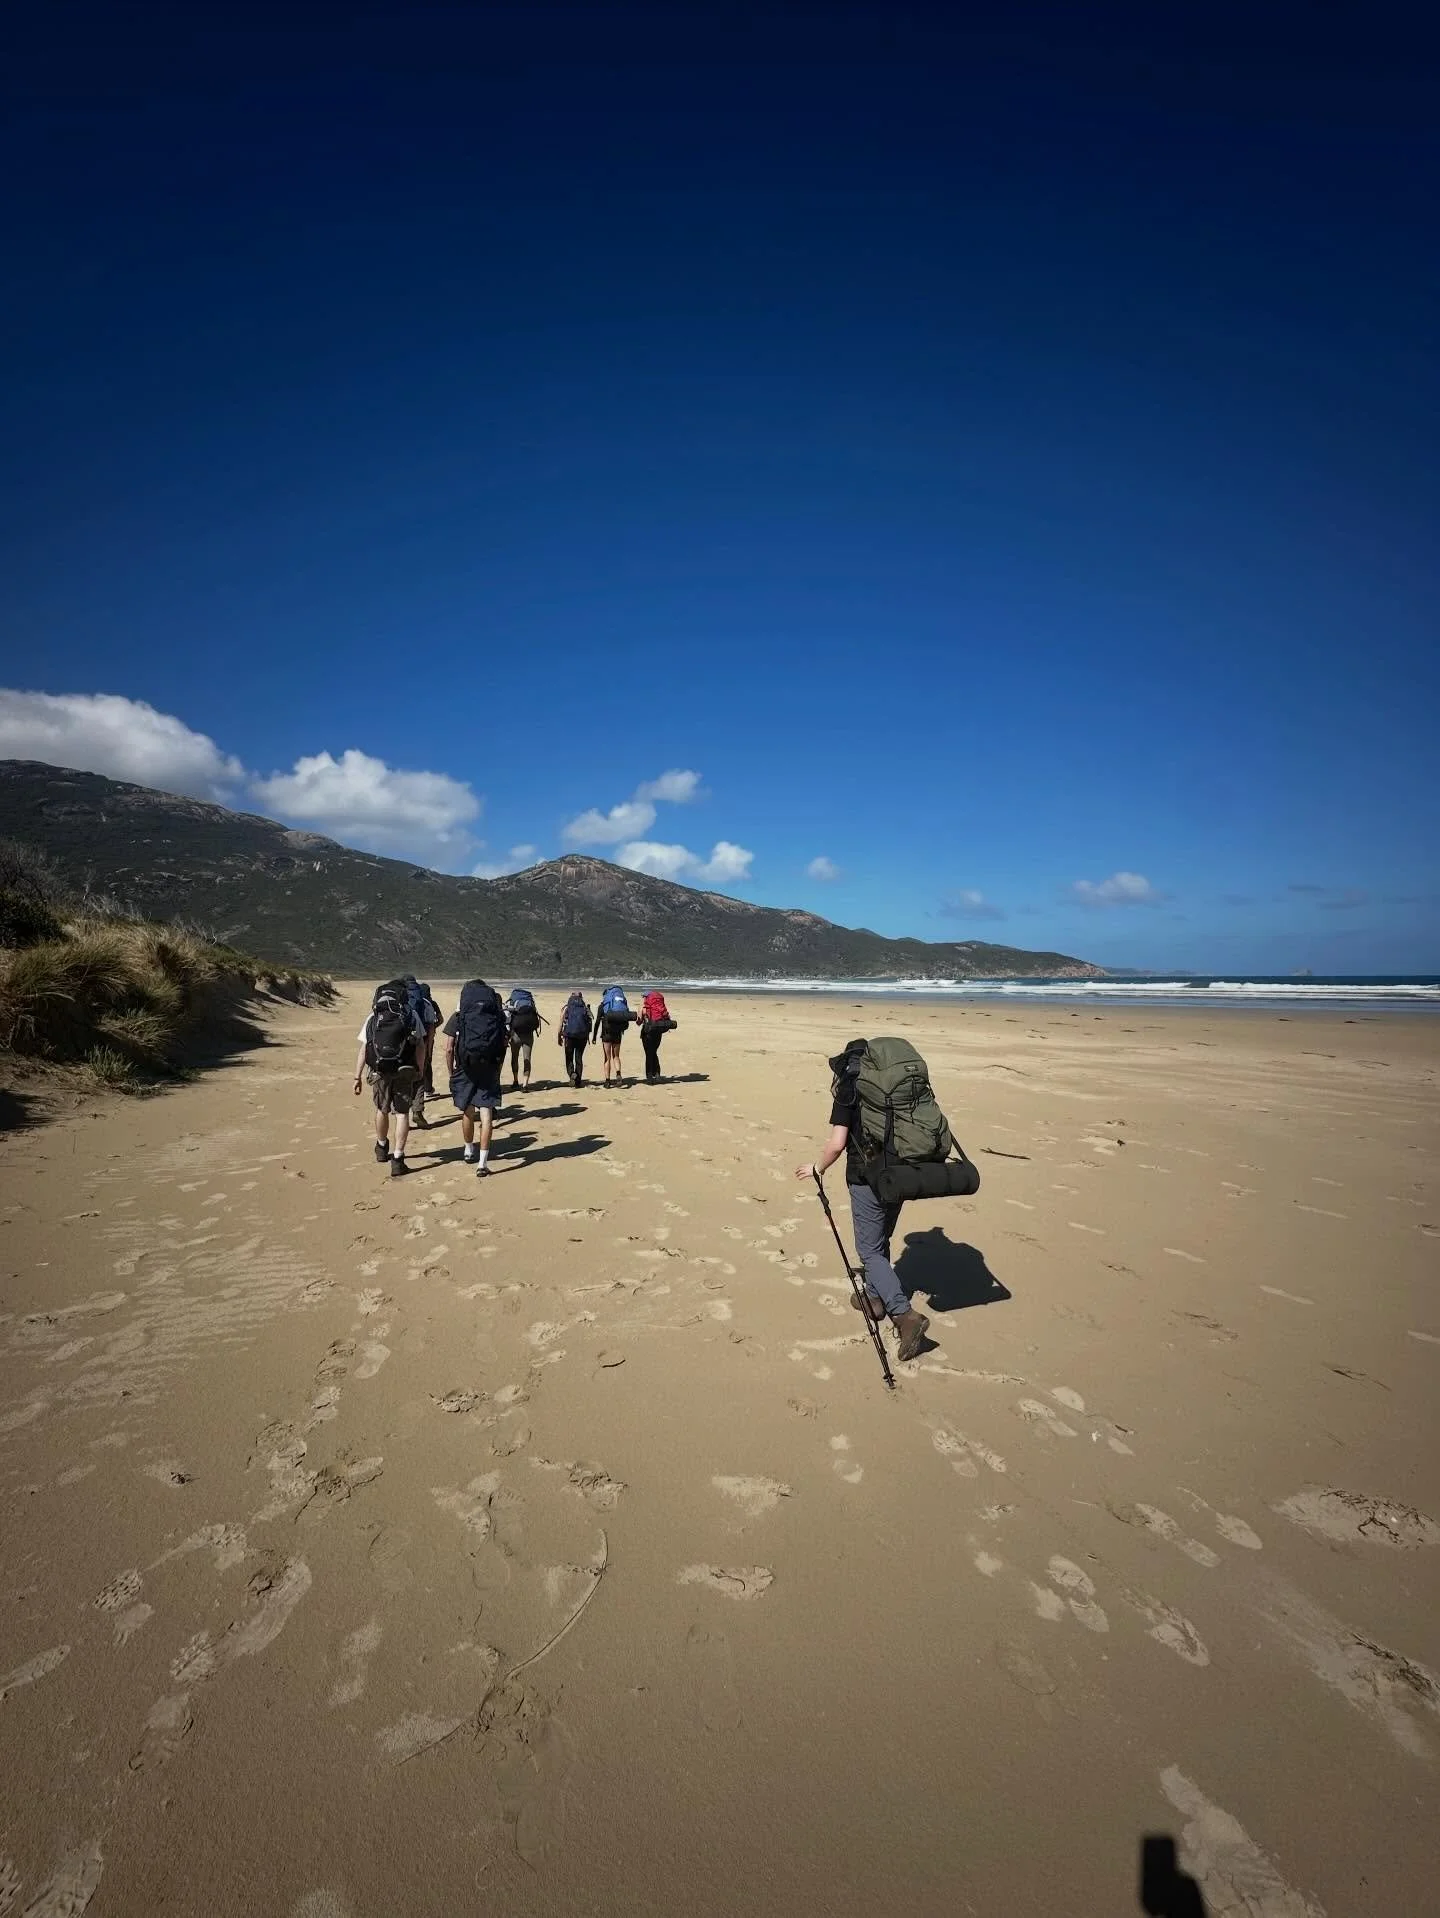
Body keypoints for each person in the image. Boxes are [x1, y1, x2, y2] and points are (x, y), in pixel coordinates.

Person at [793, 1041, 931, 1361]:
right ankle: (873, 1297)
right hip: (905, 1173)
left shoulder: (849, 1088)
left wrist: (817, 1167)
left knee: (868, 1250)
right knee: (880, 1239)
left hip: (866, 1177)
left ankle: (904, 1315)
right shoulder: (896, 1086)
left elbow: (837, 1143)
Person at [353, 978, 429, 1177]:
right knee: (402, 1114)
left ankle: (381, 1146)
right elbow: (420, 1045)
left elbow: (364, 1048)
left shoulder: (374, 1017)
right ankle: (398, 1158)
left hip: (379, 1070)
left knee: (382, 1109)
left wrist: (357, 1076)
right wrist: (420, 1069)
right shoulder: (410, 1014)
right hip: (405, 1069)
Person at [442, 977, 508, 1175]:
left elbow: (448, 1048)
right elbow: (504, 1043)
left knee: (468, 1110)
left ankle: (468, 1149)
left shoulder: (459, 1016)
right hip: (489, 1066)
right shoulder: (496, 1015)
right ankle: (482, 1164)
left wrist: (451, 1072)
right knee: (486, 1114)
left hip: (465, 1067)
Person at [401, 974, 441, 1125]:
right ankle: (417, 1111)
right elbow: (431, 1027)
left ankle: (401, 1112)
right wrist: (429, 1048)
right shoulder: (425, 1003)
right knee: (419, 1076)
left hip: (400, 1045)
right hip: (420, 1043)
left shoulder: (397, 1002)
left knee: (400, 1077)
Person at [593, 985, 633, 1087]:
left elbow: (597, 1022)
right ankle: (618, 1073)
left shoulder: (602, 1006)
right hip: (618, 1034)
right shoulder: (619, 1007)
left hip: (606, 1034)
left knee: (607, 1058)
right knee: (616, 1056)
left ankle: (607, 1081)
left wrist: (594, 1036)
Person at [504, 987, 542, 1091]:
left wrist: (507, 1034)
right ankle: (525, 1084)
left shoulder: (512, 1001)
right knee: (527, 1058)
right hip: (528, 1035)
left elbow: (507, 1018)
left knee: (514, 1057)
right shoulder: (530, 1003)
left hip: (515, 1034)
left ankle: (515, 1081)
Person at [638, 988, 673, 1084]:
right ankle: (657, 1074)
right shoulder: (659, 1006)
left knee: (649, 1054)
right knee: (654, 1052)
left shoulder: (643, 1008)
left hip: (647, 1032)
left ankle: (649, 1077)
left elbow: (638, 1022)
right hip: (658, 1031)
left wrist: (640, 1018)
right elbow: (666, 1017)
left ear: (646, 997)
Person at [558, 990, 592, 1087]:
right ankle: (578, 1081)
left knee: (569, 1057)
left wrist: (559, 1036)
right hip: (582, 1037)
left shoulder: (567, 1008)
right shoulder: (585, 1008)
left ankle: (572, 1074)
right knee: (579, 1058)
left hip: (569, 1036)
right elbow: (590, 1023)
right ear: (581, 997)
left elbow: (561, 1023)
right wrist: (587, 1036)